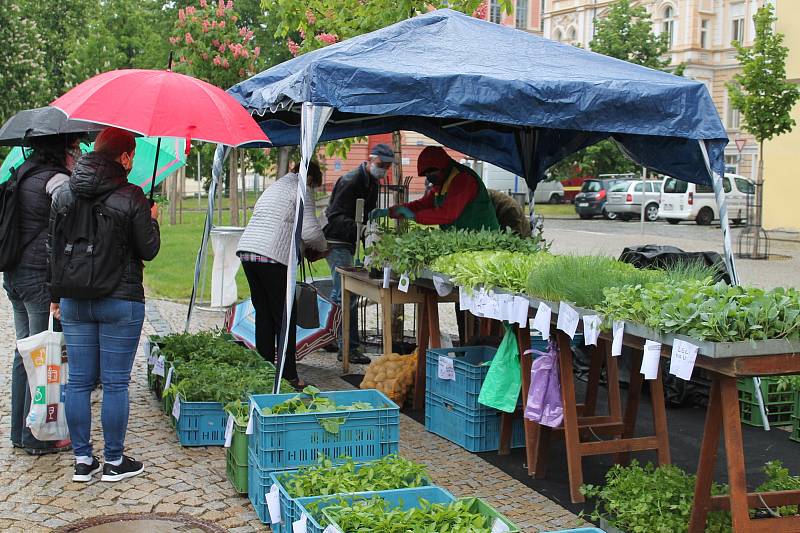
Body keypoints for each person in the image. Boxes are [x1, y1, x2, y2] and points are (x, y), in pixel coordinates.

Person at [50, 127, 160, 483]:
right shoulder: (132, 196)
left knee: (78, 382)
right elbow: (149, 250)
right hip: (121, 300)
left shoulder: (64, 193)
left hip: (75, 299)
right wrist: (152, 220)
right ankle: (114, 461)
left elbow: (53, 250)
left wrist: (55, 296)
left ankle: (83, 460)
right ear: (126, 157)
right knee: (115, 383)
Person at [3, 134, 81, 455]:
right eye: (75, 148)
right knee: (41, 356)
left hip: (14, 274)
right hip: (37, 277)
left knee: (25, 351)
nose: (78, 153)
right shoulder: (56, 180)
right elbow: (69, 216)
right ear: (63, 149)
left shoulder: (23, 172)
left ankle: (20, 432)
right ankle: (38, 436)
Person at [237, 161, 328, 389]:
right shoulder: (301, 189)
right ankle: (289, 375)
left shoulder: (275, 185)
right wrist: (323, 247)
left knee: (264, 314)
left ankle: (265, 368)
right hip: (272, 257)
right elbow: (310, 232)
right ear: (310, 179)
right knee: (285, 317)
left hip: (249, 252)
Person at [324, 144, 395, 365]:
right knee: (348, 294)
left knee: (340, 294)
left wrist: (372, 243)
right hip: (336, 241)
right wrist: (361, 229)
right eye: (382, 165)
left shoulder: (372, 183)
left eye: (388, 166)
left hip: (349, 241)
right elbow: (334, 216)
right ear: (371, 160)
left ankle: (332, 338)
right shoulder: (350, 181)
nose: (384, 170)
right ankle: (349, 348)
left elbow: (368, 216)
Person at [370, 146, 500, 231]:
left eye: (431, 172)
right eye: (426, 174)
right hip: (462, 236)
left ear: (444, 167)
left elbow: (447, 214)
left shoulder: (463, 179)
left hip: (481, 237)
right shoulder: (442, 182)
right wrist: (392, 211)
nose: (429, 176)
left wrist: (415, 216)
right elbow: (424, 204)